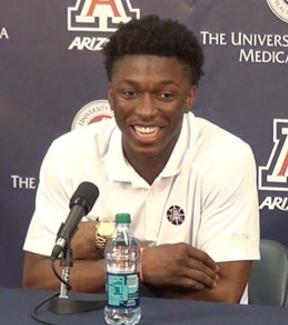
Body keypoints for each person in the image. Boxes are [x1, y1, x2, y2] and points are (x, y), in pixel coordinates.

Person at [22, 15, 260, 304]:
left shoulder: (226, 156)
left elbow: (224, 293)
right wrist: (142, 264)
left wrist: (101, 245)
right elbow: (38, 279)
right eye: (129, 93)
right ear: (111, 95)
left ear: (189, 97)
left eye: (165, 94)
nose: (146, 111)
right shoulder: (69, 153)